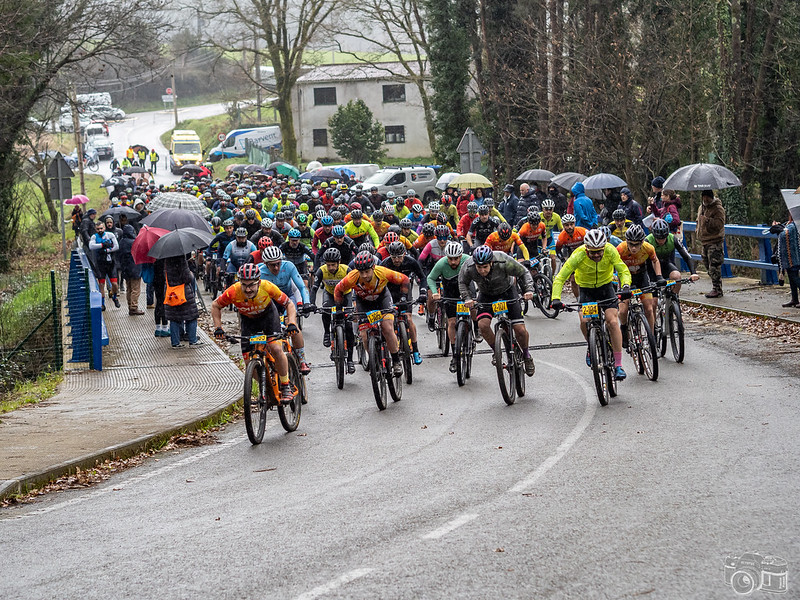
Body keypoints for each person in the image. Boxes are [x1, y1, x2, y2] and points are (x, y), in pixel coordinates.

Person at [550, 229, 632, 380]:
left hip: (606, 288)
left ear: (603, 248)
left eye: (599, 252)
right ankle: (591, 345)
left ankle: (618, 365)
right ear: (586, 248)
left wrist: (626, 286)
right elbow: (561, 277)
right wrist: (555, 298)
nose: (596, 255)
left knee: (613, 321)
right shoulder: (579, 254)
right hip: (586, 290)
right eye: (592, 252)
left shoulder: (610, 250)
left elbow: (623, 270)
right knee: (584, 320)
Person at [212, 264, 297, 403]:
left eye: (252, 285)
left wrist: (292, 323)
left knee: (275, 348)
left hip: (268, 317)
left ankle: (285, 384)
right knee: (248, 361)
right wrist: (218, 328)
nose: (248, 289)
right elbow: (216, 305)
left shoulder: (267, 287)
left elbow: (289, 304)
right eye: (244, 285)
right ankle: (266, 386)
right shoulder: (233, 291)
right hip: (248, 321)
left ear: (258, 281)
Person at [458, 245, 536, 376]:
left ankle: (527, 355)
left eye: (485, 267)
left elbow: (523, 272)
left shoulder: (502, 259)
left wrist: (529, 290)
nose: (482, 271)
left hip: (508, 291)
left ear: (491, 262)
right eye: (479, 267)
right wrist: (467, 298)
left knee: (520, 330)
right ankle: (496, 351)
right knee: (482, 325)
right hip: (486, 294)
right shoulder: (469, 266)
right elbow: (462, 282)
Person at [334, 251, 410, 377]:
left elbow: (404, 279)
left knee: (387, 327)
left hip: (382, 299)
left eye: (367, 271)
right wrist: (338, 308)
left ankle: (396, 361)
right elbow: (338, 290)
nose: (364, 275)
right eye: (361, 272)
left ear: (373, 267)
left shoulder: (382, 272)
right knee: (364, 335)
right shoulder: (352, 277)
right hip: (363, 303)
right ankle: (375, 360)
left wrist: (403, 298)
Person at [259, 246, 312, 374]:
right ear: (265, 264)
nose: (276, 268)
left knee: (292, 325)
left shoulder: (289, 266)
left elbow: (301, 286)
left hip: (288, 299)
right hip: (271, 303)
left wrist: (306, 303)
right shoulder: (260, 272)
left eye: (278, 264)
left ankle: (302, 359)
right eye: (272, 265)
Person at [309, 247, 356, 373]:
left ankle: (350, 360)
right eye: (328, 265)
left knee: (349, 326)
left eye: (333, 265)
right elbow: (314, 288)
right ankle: (327, 333)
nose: (330, 268)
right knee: (325, 309)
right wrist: (312, 303)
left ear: (339, 262)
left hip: (345, 295)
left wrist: (355, 302)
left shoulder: (346, 270)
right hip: (329, 294)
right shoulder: (321, 270)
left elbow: (356, 285)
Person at [381, 241, 427, 365]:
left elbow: (422, 277)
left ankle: (416, 350)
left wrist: (423, 292)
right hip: (390, 292)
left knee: (409, 319)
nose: (396, 260)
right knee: (387, 321)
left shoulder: (410, 261)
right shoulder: (385, 264)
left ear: (404, 254)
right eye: (393, 257)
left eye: (399, 256)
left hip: (405, 292)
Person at [615, 224, 664, 341]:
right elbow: (612, 264)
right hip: (625, 279)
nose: (633, 248)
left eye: (637, 244)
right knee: (622, 310)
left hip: (642, 277)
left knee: (649, 308)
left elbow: (655, 261)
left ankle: (652, 337)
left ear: (642, 242)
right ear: (626, 241)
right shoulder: (620, 249)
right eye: (630, 244)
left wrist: (659, 276)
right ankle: (624, 327)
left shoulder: (648, 247)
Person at [427, 241, 470, 372]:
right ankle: (455, 355)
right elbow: (430, 278)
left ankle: (475, 328)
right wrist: (434, 292)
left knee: (473, 308)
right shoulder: (441, 264)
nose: (453, 262)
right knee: (451, 322)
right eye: (450, 259)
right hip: (450, 292)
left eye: (456, 259)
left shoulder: (468, 260)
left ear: (461, 256)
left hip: (466, 290)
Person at [645, 218, 698, 296]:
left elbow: (686, 256)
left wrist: (693, 273)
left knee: (677, 276)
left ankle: (673, 297)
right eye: (658, 238)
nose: (661, 241)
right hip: (651, 269)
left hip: (667, 264)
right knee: (653, 301)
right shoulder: (647, 241)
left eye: (663, 238)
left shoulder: (672, 239)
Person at [164, 255, 200, 347]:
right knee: (191, 316)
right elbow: (187, 277)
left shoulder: (167, 260)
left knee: (174, 318)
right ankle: (192, 340)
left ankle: (175, 342)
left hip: (171, 293)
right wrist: (191, 273)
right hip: (183, 292)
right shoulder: (181, 259)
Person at [696, 189, 726, 298]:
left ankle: (717, 289)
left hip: (715, 241)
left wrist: (707, 220)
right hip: (704, 240)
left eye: (707, 198)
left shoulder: (718, 209)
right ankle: (715, 286)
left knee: (715, 265)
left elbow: (719, 224)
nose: (705, 200)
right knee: (706, 264)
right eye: (704, 197)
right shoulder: (701, 208)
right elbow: (699, 221)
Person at [87, 220, 120, 309]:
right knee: (101, 284)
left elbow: (116, 246)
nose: (100, 230)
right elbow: (91, 246)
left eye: (101, 228)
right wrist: (102, 245)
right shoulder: (94, 237)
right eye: (98, 229)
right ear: (95, 229)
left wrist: (107, 250)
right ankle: (102, 304)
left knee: (115, 284)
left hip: (111, 263)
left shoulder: (110, 235)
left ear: (104, 228)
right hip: (100, 263)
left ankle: (114, 297)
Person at [772, 215, 800, 307]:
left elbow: (785, 234)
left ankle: (795, 299)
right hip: (789, 257)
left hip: (794, 256)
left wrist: (777, 227)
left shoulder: (795, 224)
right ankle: (794, 299)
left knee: (794, 277)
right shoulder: (790, 224)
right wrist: (778, 226)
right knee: (792, 277)